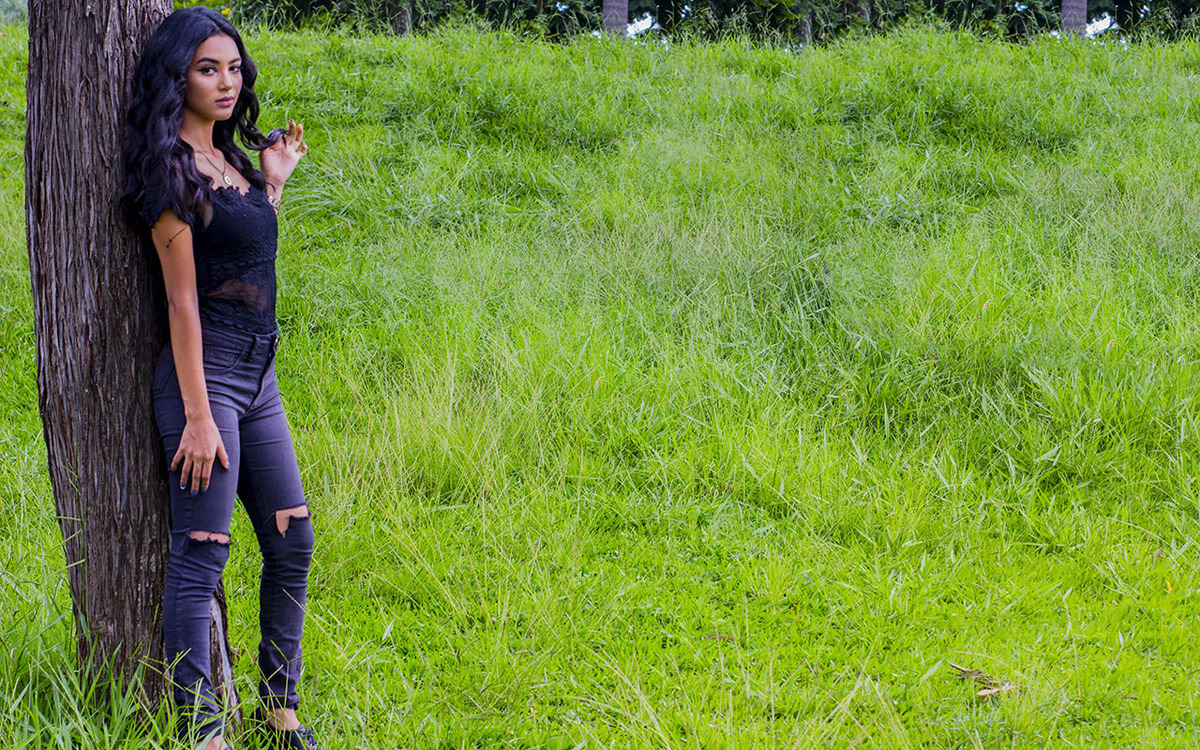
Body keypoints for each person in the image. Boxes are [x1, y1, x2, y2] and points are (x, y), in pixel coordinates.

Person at [121, 8, 317, 750]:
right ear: (179, 76)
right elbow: (181, 300)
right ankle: (203, 734)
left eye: (234, 68)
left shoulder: (233, 160)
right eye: (209, 69)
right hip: (205, 383)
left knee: (292, 541)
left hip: (258, 376)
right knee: (201, 555)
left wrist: (272, 185)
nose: (227, 81)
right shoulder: (166, 169)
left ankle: (279, 711)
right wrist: (199, 416)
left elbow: (243, 259)